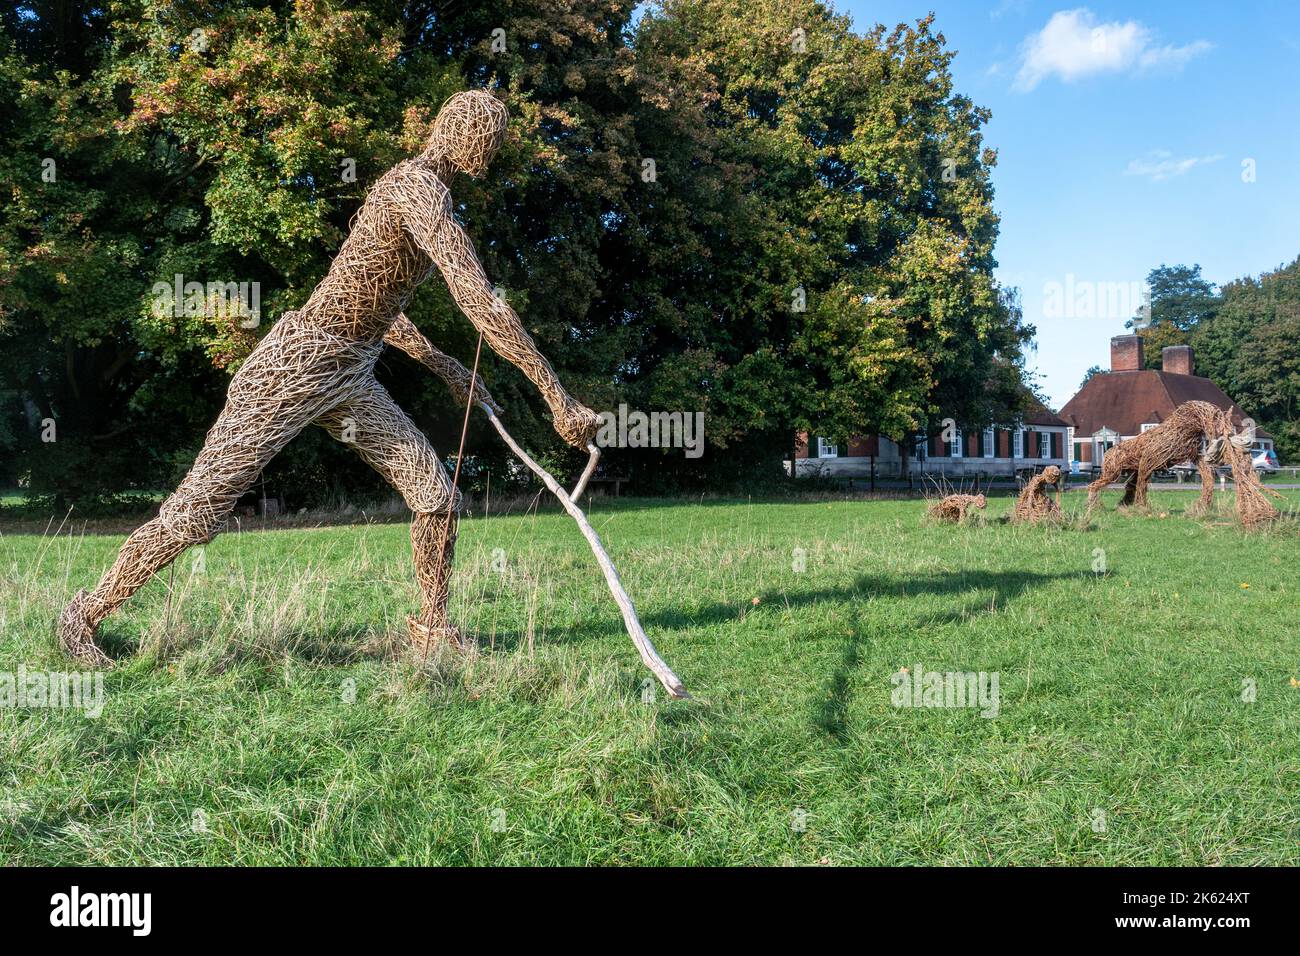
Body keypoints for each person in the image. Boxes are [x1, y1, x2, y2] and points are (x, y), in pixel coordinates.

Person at [59, 90, 600, 666]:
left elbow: (377, 306)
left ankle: (431, 627)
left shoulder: (419, 195)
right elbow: (479, 299)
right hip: (296, 364)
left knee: (436, 495)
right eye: (488, 136)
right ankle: (84, 614)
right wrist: (555, 396)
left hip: (352, 374)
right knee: (197, 512)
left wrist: (445, 366)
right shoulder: (415, 189)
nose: (490, 150)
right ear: (463, 135)